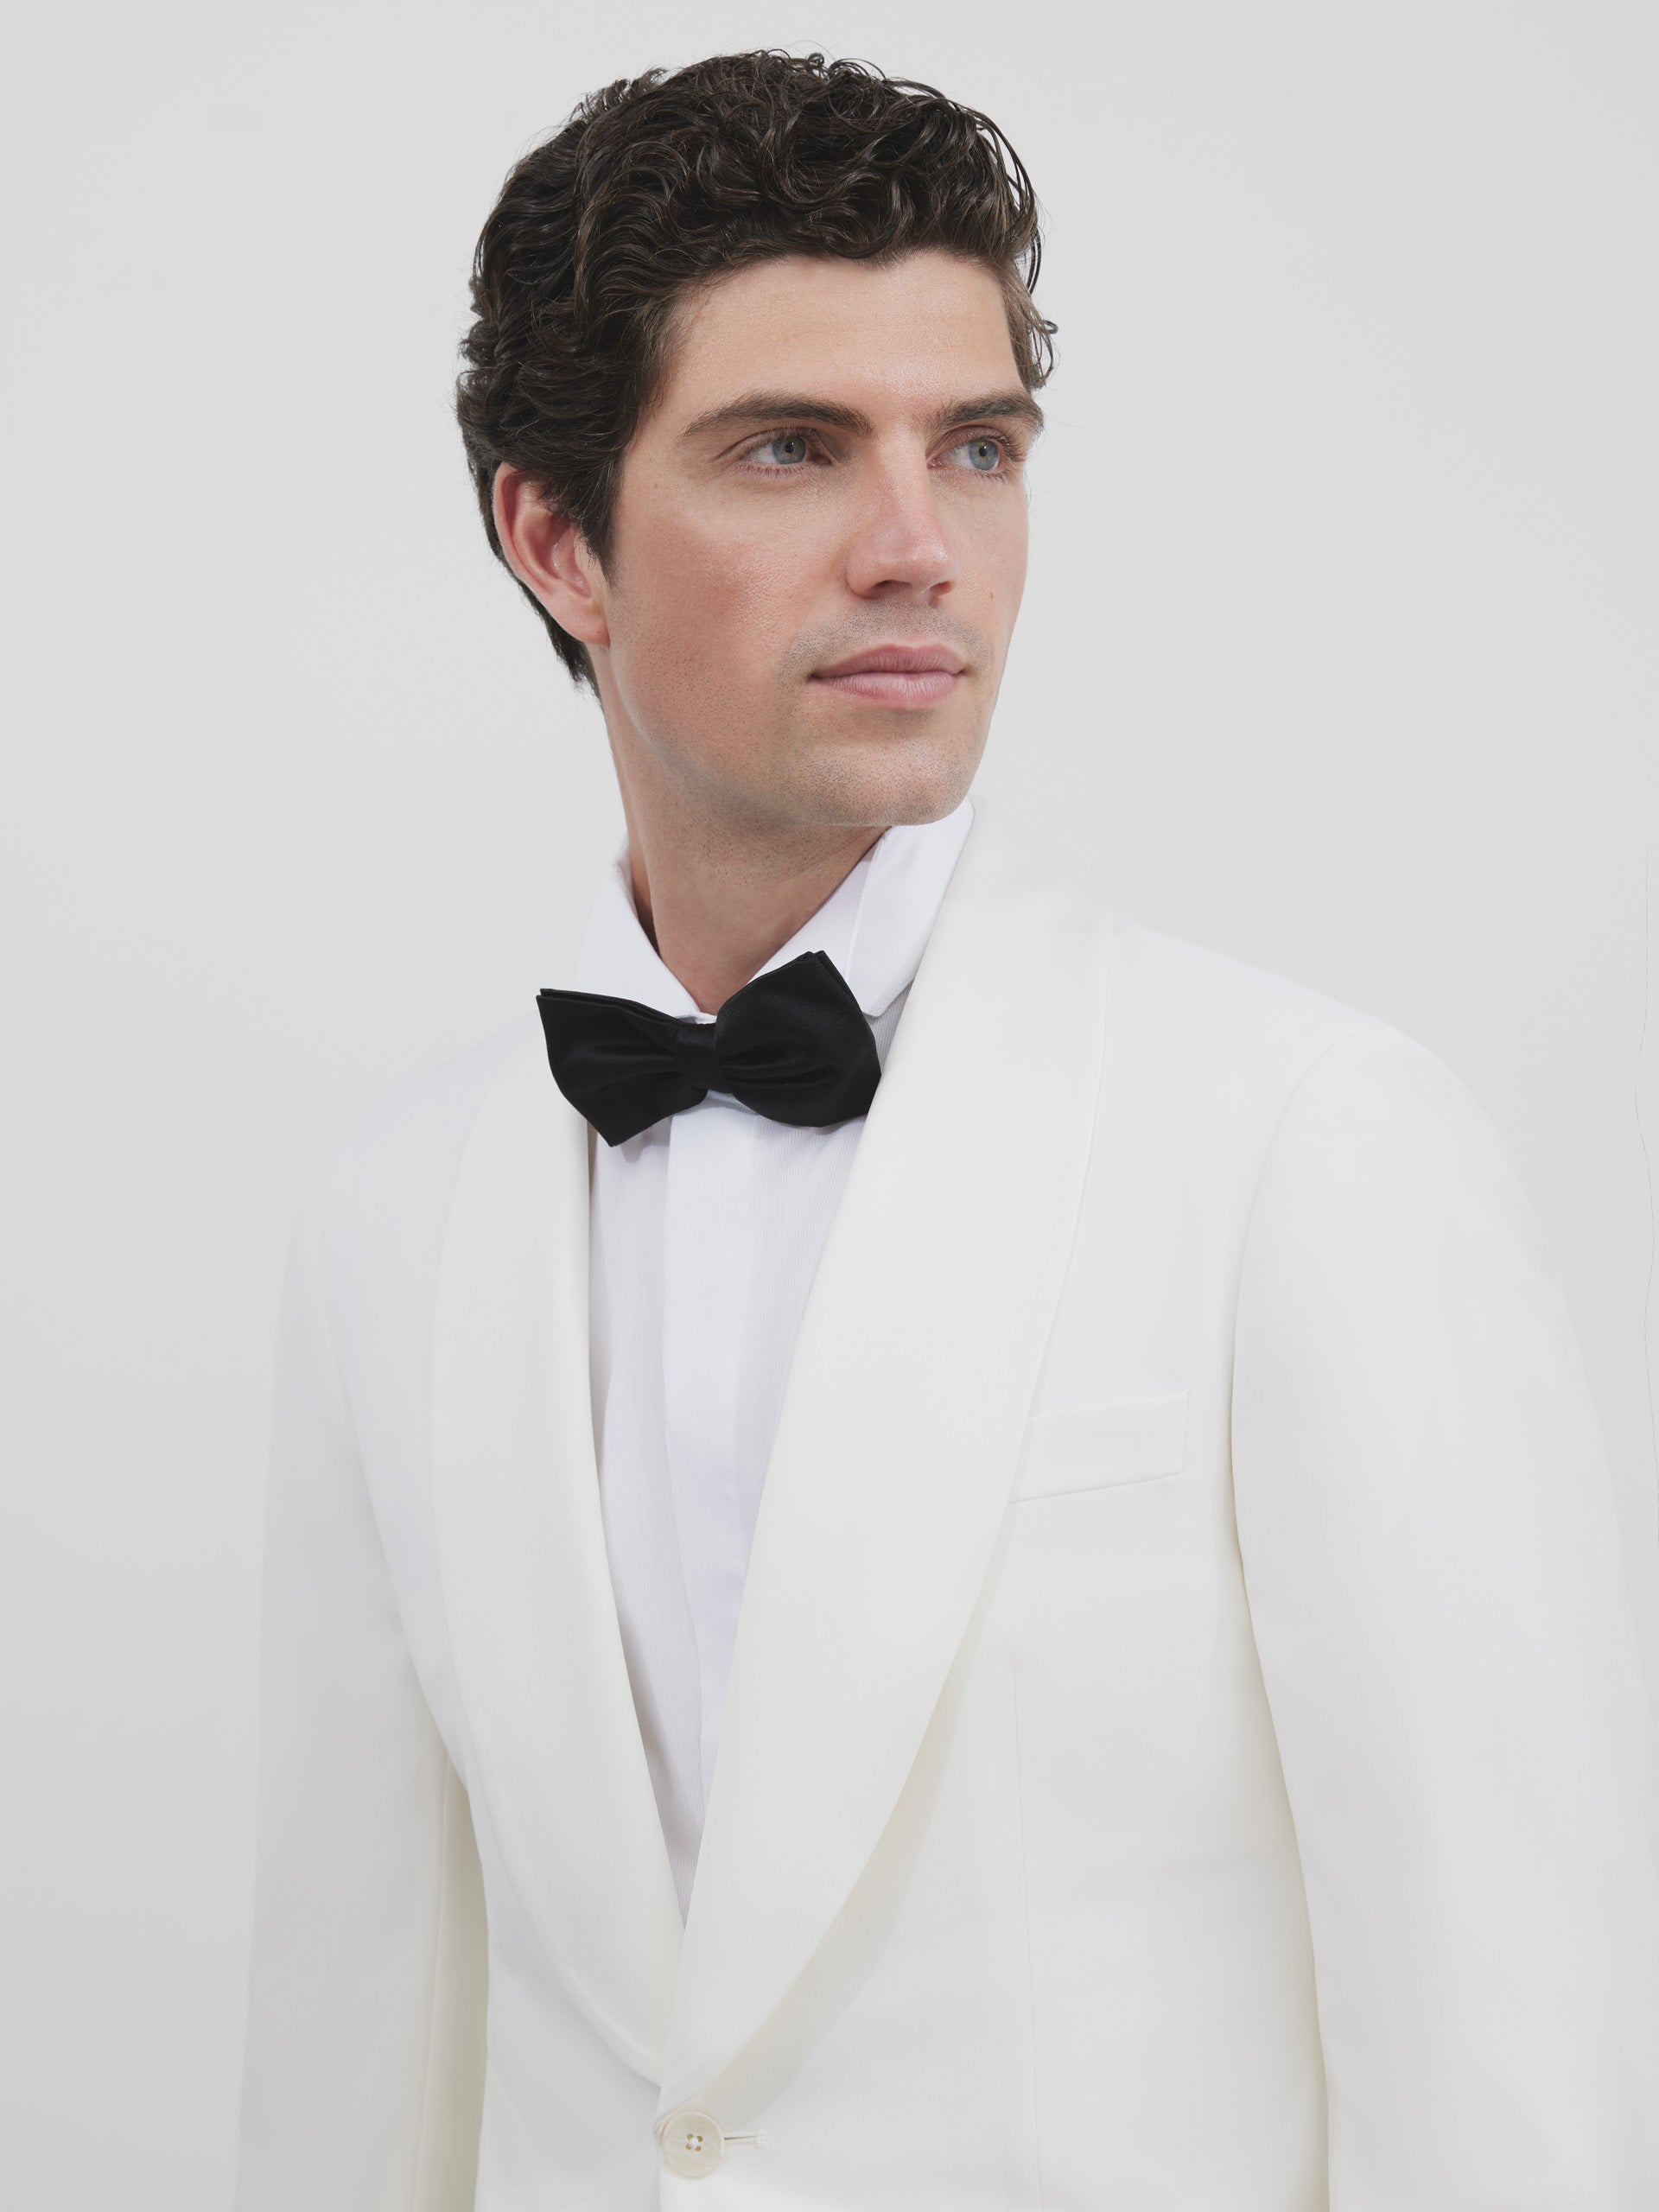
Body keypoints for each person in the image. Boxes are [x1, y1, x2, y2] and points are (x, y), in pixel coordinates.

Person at [235, 50, 1659, 2211]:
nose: (920, 550)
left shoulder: (1306, 1143)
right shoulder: (389, 1216)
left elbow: (1508, 2067)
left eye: (977, 448)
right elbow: (351, 2064)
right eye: (791, 447)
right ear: (556, 539)